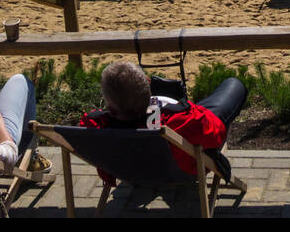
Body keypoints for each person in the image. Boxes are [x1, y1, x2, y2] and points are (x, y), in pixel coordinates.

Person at [79, 61, 246, 184]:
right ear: (148, 88)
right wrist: (182, 107)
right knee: (233, 85)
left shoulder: (95, 127)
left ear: (111, 106)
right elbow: (215, 135)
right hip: (183, 173)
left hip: (132, 173)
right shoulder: (180, 121)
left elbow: (92, 124)